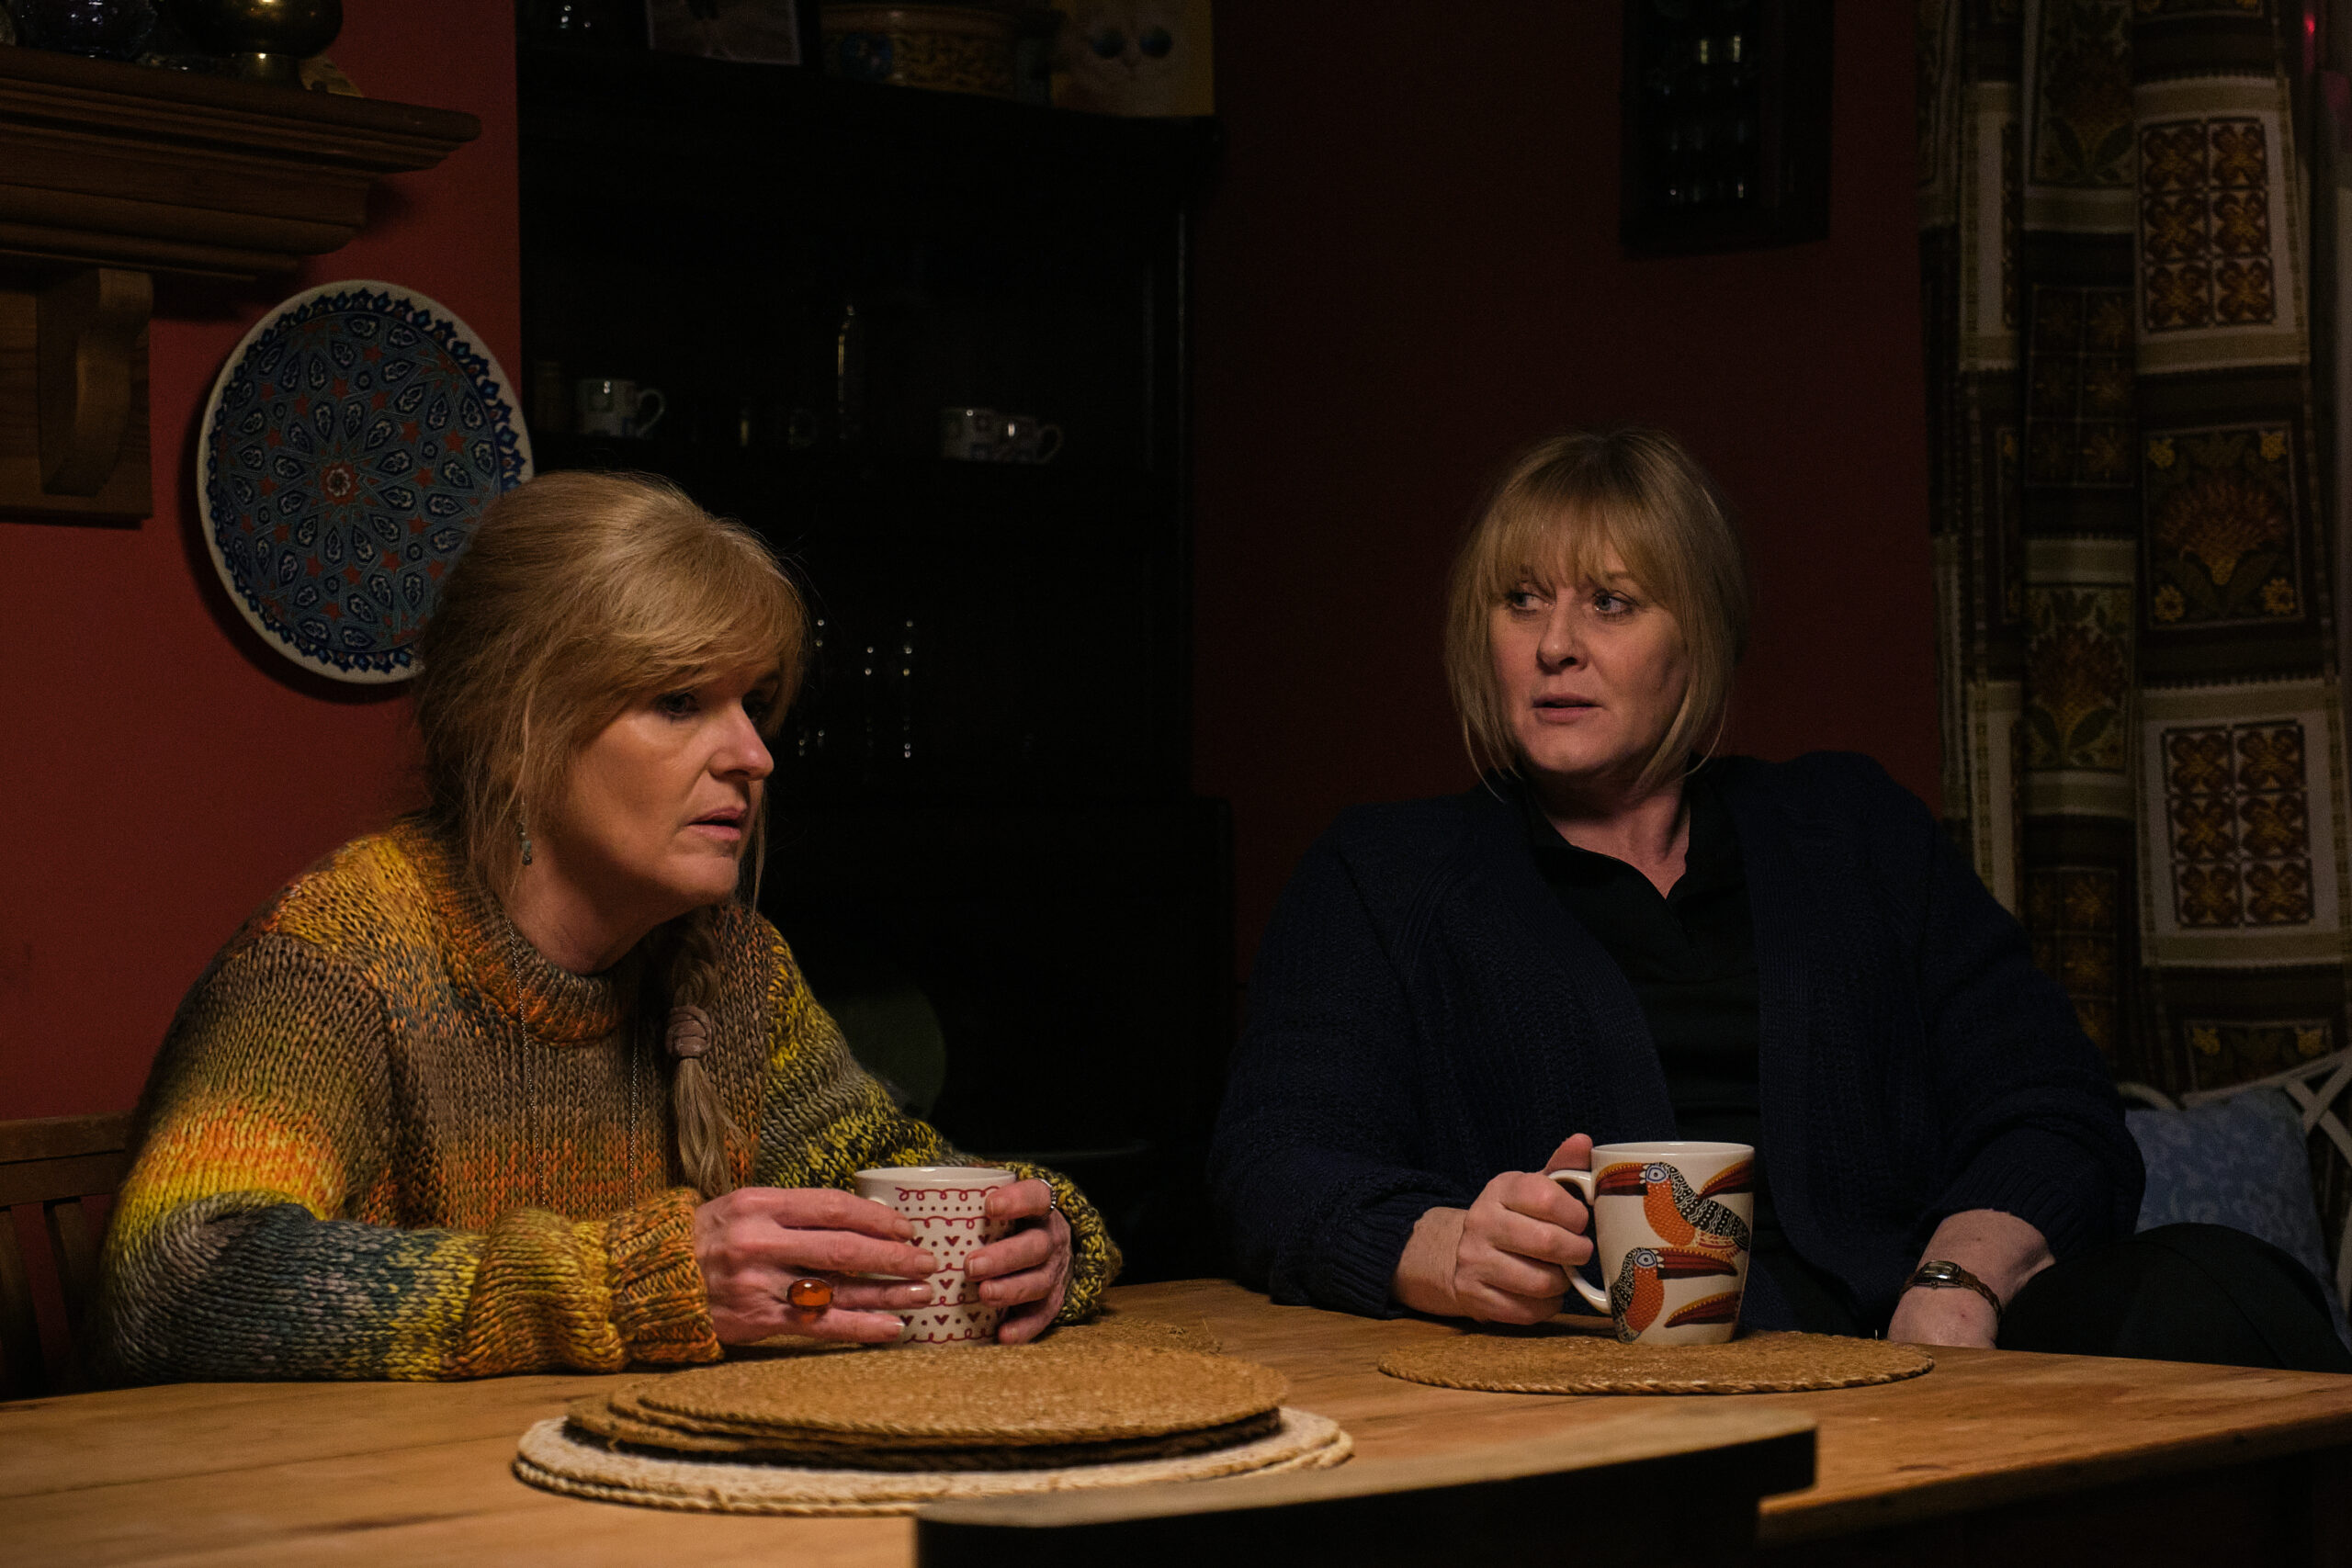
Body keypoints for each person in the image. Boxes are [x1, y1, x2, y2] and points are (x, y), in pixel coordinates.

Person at [1209, 428, 2350, 1371]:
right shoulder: (1385, 873)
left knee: (2222, 1289)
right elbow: (1276, 1159)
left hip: (1914, 1349)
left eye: (1610, 603)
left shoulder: (1850, 832)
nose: (1555, 645)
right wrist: (1446, 1247)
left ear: (1696, 635)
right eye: (1520, 602)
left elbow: (2052, 1111)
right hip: (1591, 1372)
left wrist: (1953, 1289)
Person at [96, 472, 1115, 1382]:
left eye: (753, 704)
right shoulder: (336, 960)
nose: (752, 755)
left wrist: (1037, 1236)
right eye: (678, 700)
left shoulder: (728, 966)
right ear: (514, 728)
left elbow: (891, 1172)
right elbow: (180, 1275)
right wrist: (630, 1288)